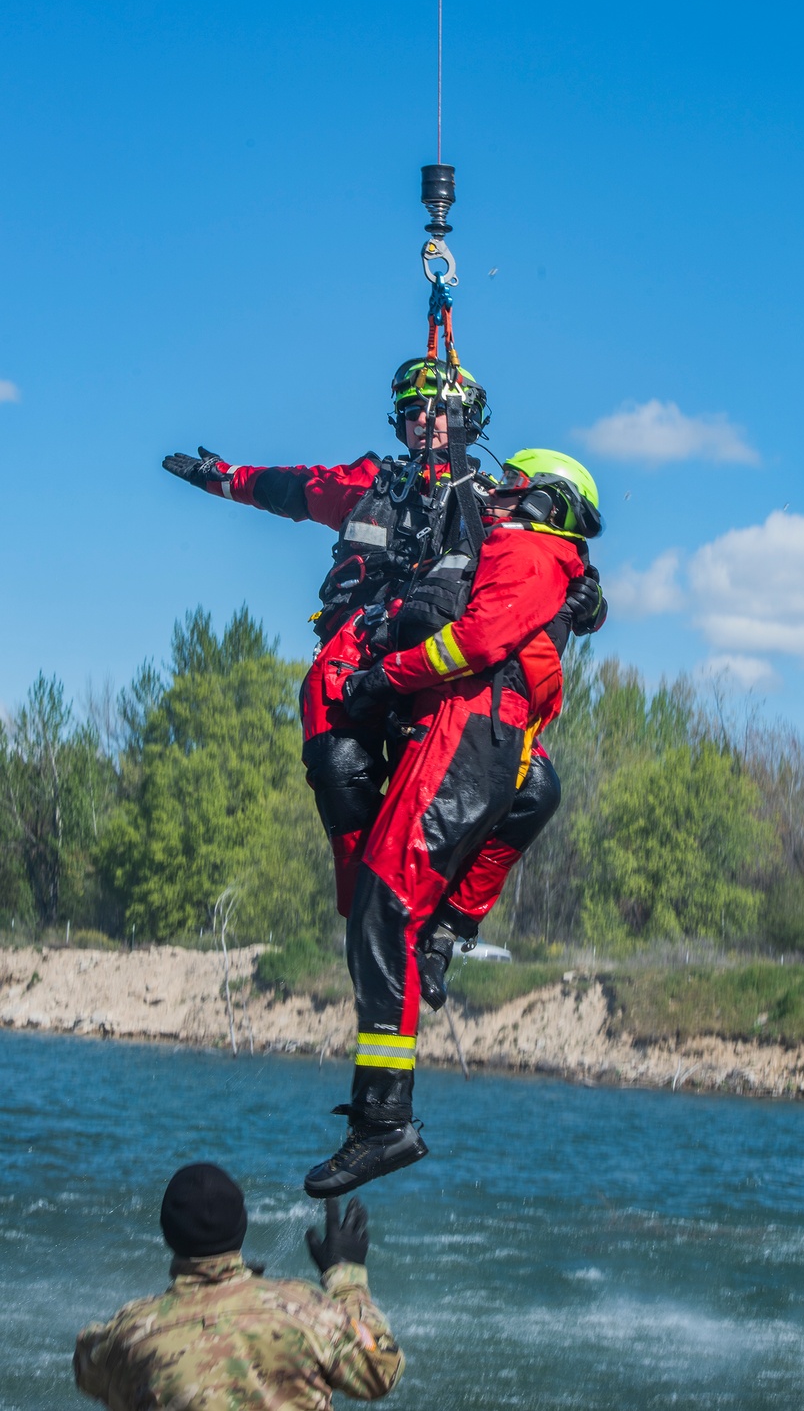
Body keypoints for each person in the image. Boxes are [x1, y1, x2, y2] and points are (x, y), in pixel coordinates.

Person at [162, 366, 604, 1013]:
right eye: (412, 410)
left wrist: (588, 601)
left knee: (534, 789)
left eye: (437, 409)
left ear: (469, 422)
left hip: (440, 671)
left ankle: (446, 927)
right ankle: (370, 922)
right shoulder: (371, 484)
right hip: (359, 650)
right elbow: (293, 488)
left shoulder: (491, 501)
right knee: (340, 763)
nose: (424, 420)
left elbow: (548, 567)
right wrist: (224, 477)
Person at [303, 448, 605, 1199]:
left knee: (383, 907)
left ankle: (382, 1124)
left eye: (510, 486)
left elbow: (476, 641)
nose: (495, 494)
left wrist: (383, 675)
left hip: (468, 731)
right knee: (388, 907)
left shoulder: (532, 551)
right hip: (470, 730)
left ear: (543, 501)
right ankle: (436, 948)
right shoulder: (528, 554)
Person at [73, 1162, 403, 1409]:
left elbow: (88, 1369)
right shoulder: (305, 1310)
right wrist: (346, 1279)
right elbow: (380, 1370)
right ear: (242, 1225)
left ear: (167, 1234)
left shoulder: (129, 1334)